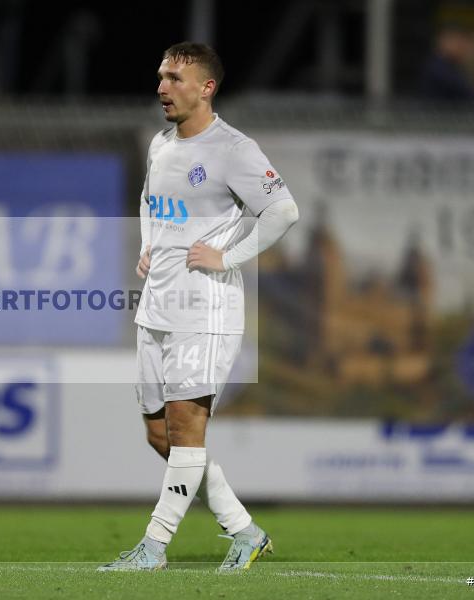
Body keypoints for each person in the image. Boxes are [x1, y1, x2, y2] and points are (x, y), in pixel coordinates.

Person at [98, 42, 300, 573]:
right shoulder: (161, 144)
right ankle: (245, 531)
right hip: (156, 306)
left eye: (174, 79)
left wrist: (228, 257)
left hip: (205, 311)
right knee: (158, 434)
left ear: (206, 87)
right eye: (161, 76)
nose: (162, 87)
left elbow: (283, 211)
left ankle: (153, 548)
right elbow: (149, 200)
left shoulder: (233, 148)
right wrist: (148, 245)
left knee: (187, 429)